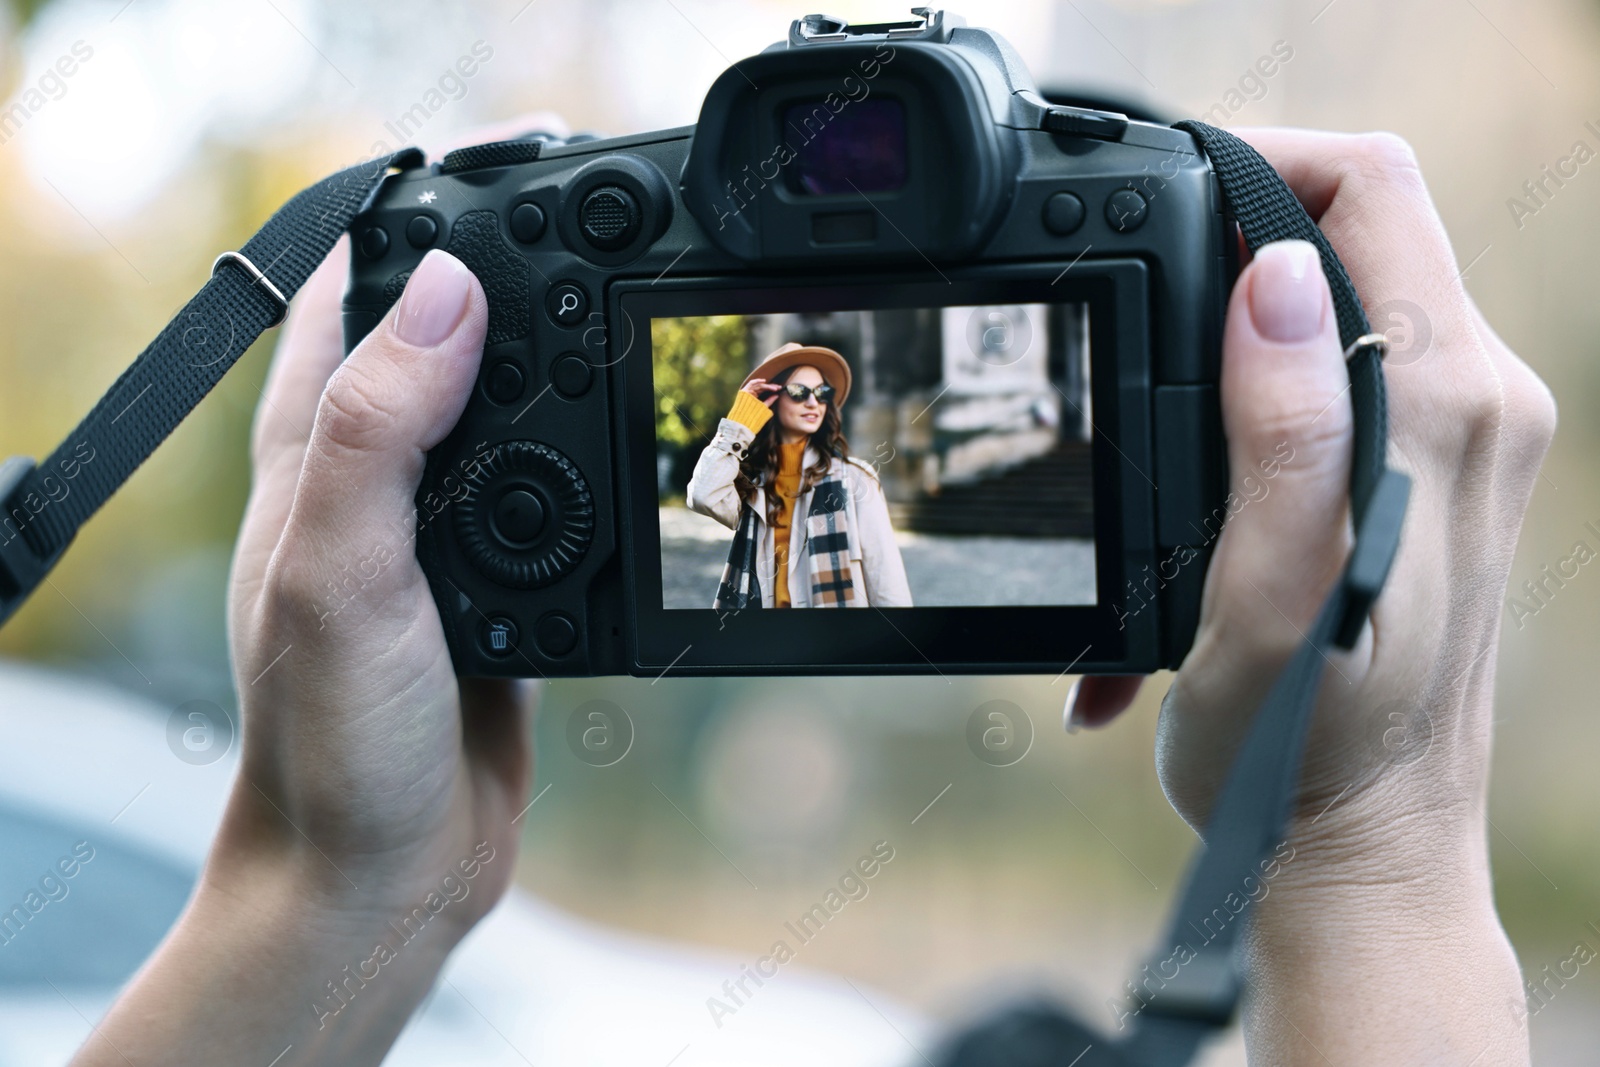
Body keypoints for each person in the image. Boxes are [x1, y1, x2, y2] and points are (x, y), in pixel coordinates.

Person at [68, 126, 1553, 1066]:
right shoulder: (742, 464)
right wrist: (1376, 847)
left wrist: (324, 886)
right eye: (772, 375)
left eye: (802, 381)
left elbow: (892, 575)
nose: (785, 391)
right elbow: (707, 518)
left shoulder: (848, 484)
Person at [687, 342, 913, 609]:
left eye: (822, 392)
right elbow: (702, 495)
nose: (812, 402)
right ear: (771, 400)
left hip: (833, 639)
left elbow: (885, 578)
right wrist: (738, 426)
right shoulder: (750, 483)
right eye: (798, 391)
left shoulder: (855, 479)